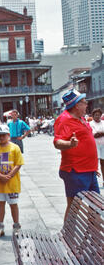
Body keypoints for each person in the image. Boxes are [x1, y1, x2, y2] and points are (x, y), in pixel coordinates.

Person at [53, 90, 100, 222]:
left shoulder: (81, 119)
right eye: (84, 103)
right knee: (75, 206)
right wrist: (70, 144)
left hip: (88, 170)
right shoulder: (64, 120)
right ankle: (67, 238)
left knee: (96, 206)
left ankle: (93, 240)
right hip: (75, 171)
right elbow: (57, 142)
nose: (86, 105)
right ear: (76, 105)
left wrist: (93, 166)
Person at [0, 125, 24, 237]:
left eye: (4, 135)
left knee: (13, 204)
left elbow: (19, 163)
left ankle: (16, 225)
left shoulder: (15, 148)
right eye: (0, 135)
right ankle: (0, 225)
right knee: (0, 204)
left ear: (8, 135)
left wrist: (9, 175)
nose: (2, 137)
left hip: (12, 183)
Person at [89, 108, 104, 187]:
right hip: (95, 146)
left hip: (103, 146)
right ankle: (94, 182)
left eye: (99, 115)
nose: (97, 116)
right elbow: (95, 135)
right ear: (93, 115)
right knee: (95, 164)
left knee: (103, 163)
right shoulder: (91, 124)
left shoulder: (103, 123)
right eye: (96, 115)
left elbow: (98, 134)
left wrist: (100, 133)